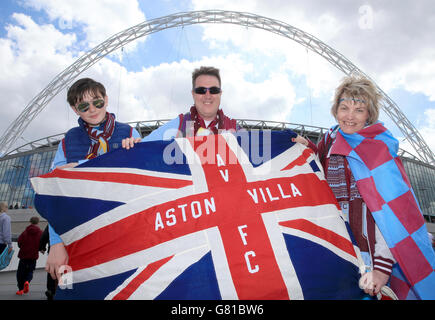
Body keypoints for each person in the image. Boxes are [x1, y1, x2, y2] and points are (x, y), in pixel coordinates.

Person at [297, 75, 435, 299]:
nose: (350, 117)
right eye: (344, 108)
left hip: (369, 252)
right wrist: (307, 147)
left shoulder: (377, 147)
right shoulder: (330, 140)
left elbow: (391, 214)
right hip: (336, 246)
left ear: (369, 114)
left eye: (359, 110)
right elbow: (319, 170)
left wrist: (381, 269)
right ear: (335, 110)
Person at [46, 78, 142, 282]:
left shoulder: (130, 133)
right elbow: (54, 193)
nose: (92, 109)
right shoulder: (67, 142)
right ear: (75, 109)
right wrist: (56, 243)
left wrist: (139, 153)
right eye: (83, 105)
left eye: (97, 102)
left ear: (106, 100)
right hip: (79, 235)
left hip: (123, 232)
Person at [122, 66, 239, 148]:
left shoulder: (236, 129)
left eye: (213, 90)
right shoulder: (180, 124)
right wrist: (133, 145)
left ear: (220, 93)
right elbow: (144, 146)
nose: (207, 95)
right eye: (201, 90)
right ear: (193, 94)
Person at [16, 216, 43, 295]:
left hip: (23, 255)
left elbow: (19, 242)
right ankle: (27, 281)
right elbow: (41, 243)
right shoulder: (40, 232)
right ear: (38, 223)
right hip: (33, 256)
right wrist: (40, 249)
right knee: (30, 271)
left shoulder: (25, 232)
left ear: (30, 222)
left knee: (20, 272)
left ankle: (20, 289)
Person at [39, 225, 57, 300]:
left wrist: (42, 247)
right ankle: (65, 289)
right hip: (67, 250)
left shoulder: (51, 222)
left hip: (53, 249)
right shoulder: (70, 220)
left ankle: (50, 290)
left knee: (51, 270)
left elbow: (45, 235)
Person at [0, 202, 13, 268]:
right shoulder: (6, 218)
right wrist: (10, 245)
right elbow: (6, 233)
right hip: (1, 244)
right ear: (4, 208)